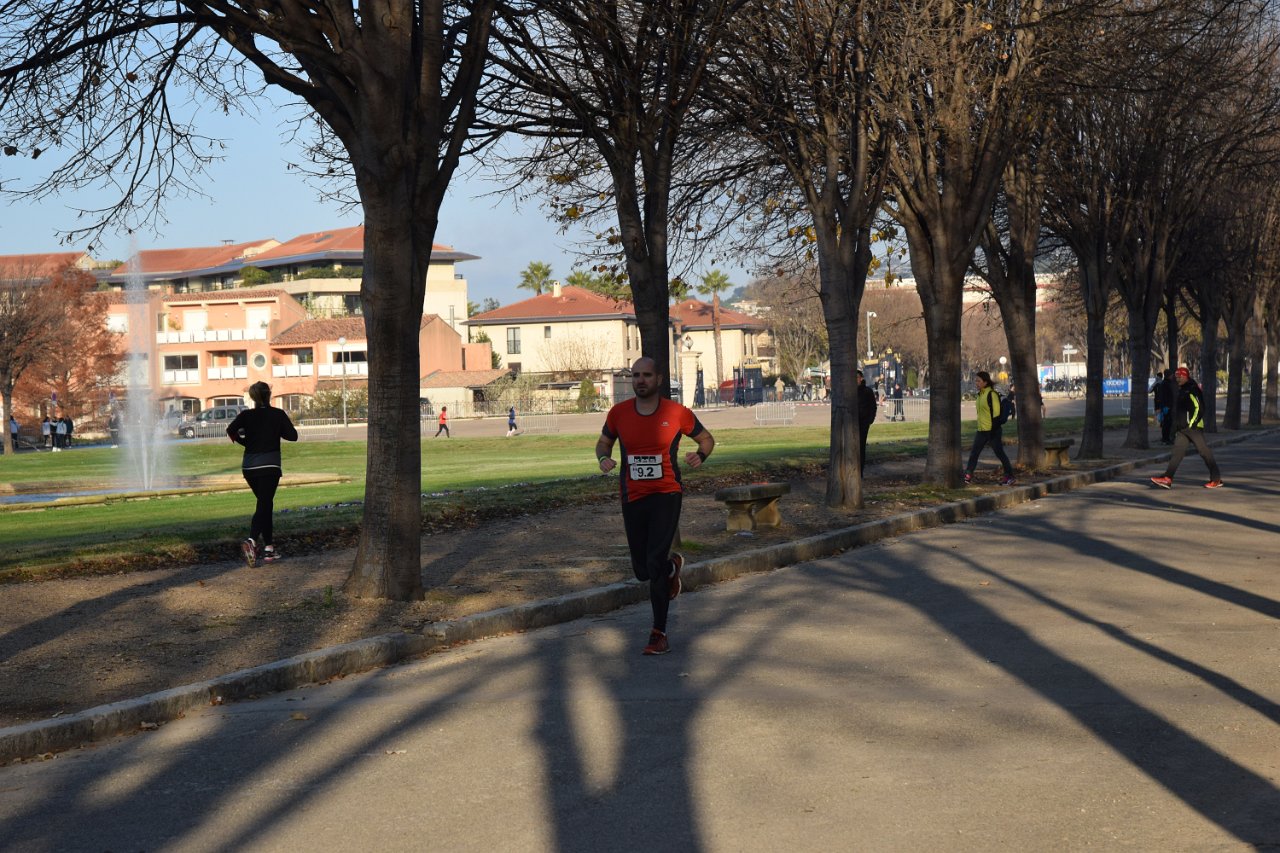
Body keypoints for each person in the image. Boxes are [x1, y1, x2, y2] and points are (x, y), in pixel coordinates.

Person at [596, 356, 715, 656]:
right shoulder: (619, 413)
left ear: (659, 379)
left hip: (666, 494)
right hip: (633, 496)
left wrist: (701, 456)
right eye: (635, 375)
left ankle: (658, 633)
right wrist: (603, 458)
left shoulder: (677, 413)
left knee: (653, 562)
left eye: (646, 375)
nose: (640, 380)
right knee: (641, 570)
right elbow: (603, 443)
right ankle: (671, 567)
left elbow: (706, 439)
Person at [227, 382, 299, 566]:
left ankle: (269, 548)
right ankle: (251, 540)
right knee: (264, 504)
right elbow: (293, 436)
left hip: (249, 467)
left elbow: (230, 430)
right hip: (269, 465)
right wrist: (276, 431)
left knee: (265, 504)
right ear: (269, 394)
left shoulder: (246, 415)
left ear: (252, 397)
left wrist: (245, 442)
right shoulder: (278, 414)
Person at [1150, 367, 1223, 489]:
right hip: (1183, 429)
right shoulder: (1182, 389)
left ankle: (1216, 479)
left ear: (1185, 376)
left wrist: (1192, 423)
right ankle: (1167, 478)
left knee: (1204, 452)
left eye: (1180, 377)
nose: (1177, 379)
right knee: (1177, 454)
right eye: (1176, 377)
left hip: (1193, 428)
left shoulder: (1192, 389)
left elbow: (1200, 407)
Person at [964, 371, 1016, 486]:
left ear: (985, 382)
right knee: (974, 453)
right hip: (981, 430)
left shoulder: (992, 394)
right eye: (975, 381)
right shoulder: (980, 395)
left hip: (993, 430)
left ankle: (1010, 476)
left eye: (978, 381)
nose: (976, 383)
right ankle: (967, 476)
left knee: (1000, 453)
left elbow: (996, 414)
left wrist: (993, 430)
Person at [856, 369, 878, 476]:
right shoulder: (850, 391)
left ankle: (860, 471)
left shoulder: (867, 391)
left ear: (861, 378)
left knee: (861, 447)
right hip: (852, 423)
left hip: (863, 422)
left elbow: (873, 406)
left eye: (857, 377)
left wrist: (870, 420)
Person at [1151, 368, 1175, 445]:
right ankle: (1165, 439)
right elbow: (1164, 396)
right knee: (1166, 423)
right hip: (1166, 406)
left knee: (1168, 423)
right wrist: (1165, 406)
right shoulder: (1165, 384)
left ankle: (1166, 438)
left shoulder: (1166, 383)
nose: (1172, 376)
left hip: (1167, 406)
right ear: (1169, 375)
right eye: (1171, 375)